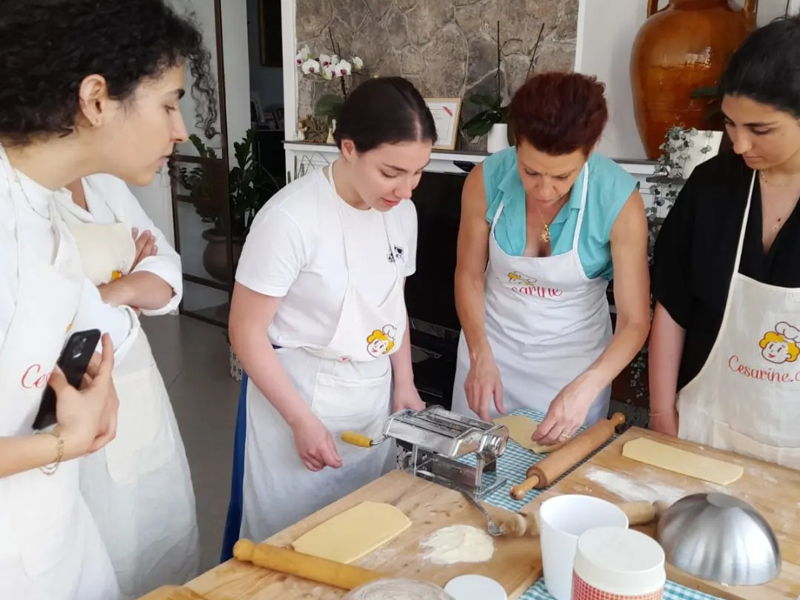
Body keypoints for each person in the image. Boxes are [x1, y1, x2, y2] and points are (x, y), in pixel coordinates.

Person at [0, 1, 215, 598]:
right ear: (96, 99)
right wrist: (63, 440)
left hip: (56, 528)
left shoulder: (35, 207)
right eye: (170, 103)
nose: (180, 129)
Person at [226, 77, 435, 545]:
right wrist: (301, 419)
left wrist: (403, 382)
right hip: (300, 392)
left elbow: (391, 301)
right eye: (391, 172)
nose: (406, 189)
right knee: (290, 536)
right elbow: (245, 331)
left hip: (371, 391)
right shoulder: (291, 219)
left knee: (361, 527)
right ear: (348, 148)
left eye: (418, 172)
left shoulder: (402, 213)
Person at [452, 73, 650, 445]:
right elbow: (469, 275)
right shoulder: (486, 180)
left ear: (589, 153)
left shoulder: (618, 200)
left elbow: (635, 321)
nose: (544, 190)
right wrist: (480, 354)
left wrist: (588, 385)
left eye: (562, 176)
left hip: (573, 369)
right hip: (490, 350)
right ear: (516, 146)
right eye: (530, 171)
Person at [649, 16, 800, 468]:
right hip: (702, 427)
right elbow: (673, 307)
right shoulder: (713, 187)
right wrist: (661, 414)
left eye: (760, 129)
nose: (738, 144)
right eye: (731, 124)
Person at [59, 175, 199, 599]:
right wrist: (124, 282)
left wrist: (108, 287)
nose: (176, 130)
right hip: (66, 396)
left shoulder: (105, 184)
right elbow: (51, 312)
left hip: (136, 381)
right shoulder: (22, 191)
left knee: (161, 532)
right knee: (99, 545)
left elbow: (168, 274)